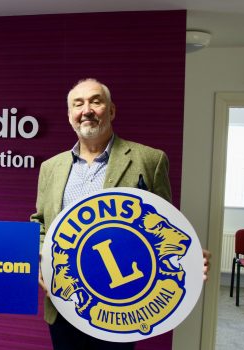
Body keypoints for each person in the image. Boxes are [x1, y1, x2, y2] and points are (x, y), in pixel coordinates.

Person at [31, 78, 211, 350]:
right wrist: (42, 257)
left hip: (122, 304)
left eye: (96, 101)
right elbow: (41, 223)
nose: (87, 110)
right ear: (69, 116)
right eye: (77, 104)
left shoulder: (150, 160)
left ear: (111, 110)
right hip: (66, 301)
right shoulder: (50, 168)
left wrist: (188, 256)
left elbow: (162, 225)